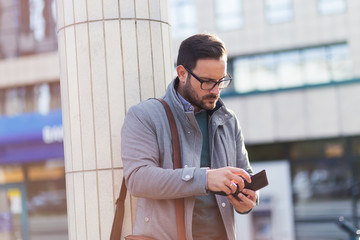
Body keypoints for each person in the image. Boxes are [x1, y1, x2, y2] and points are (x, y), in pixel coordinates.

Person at [121, 33, 257, 240]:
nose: (215, 90)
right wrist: (206, 178)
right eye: (207, 82)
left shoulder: (229, 120)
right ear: (182, 73)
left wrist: (249, 200)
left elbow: (245, 174)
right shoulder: (144, 115)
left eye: (221, 81)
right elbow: (138, 179)